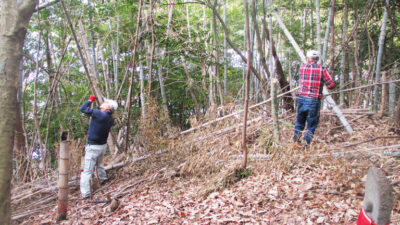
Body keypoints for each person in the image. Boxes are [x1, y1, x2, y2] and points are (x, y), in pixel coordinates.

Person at [80, 95, 118, 199]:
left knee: (87, 171)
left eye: (105, 102)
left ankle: (86, 193)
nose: (103, 102)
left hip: (93, 147)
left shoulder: (99, 114)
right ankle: (103, 179)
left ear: (108, 107)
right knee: (99, 164)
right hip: (102, 146)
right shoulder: (110, 119)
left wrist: (90, 100)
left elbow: (82, 108)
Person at [293, 50, 335, 145]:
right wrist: (322, 83)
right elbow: (331, 85)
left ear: (308, 59)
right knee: (311, 125)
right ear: (317, 59)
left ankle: (295, 144)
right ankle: (306, 145)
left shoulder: (302, 68)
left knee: (299, 122)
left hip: (301, 99)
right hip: (313, 100)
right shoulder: (322, 69)